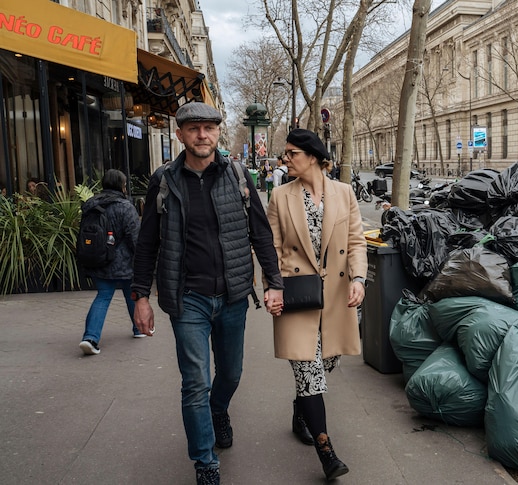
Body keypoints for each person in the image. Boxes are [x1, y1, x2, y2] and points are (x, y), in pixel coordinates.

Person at [132, 102, 284, 485]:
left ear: (218, 132)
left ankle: (220, 410)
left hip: (233, 294)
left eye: (209, 128)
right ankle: (205, 463)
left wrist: (274, 282)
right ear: (180, 134)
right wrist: (140, 296)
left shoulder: (237, 176)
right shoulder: (164, 180)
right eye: (194, 128)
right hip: (188, 299)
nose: (202, 135)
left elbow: (261, 233)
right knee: (195, 381)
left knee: (231, 373)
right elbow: (147, 240)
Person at [266, 128, 367, 481]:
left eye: (292, 153)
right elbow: (272, 248)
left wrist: (358, 278)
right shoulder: (280, 196)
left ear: (312, 156)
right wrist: (272, 287)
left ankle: (301, 410)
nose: (286, 159)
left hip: (336, 297)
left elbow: (356, 241)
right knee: (309, 371)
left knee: (326, 364)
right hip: (297, 296)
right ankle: (327, 452)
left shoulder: (344, 193)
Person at [79, 170, 142, 355]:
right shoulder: (125, 206)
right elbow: (134, 237)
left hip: (98, 259)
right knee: (131, 293)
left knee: (103, 296)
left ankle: (90, 338)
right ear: (122, 185)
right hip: (123, 261)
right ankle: (138, 329)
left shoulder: (91, 205)